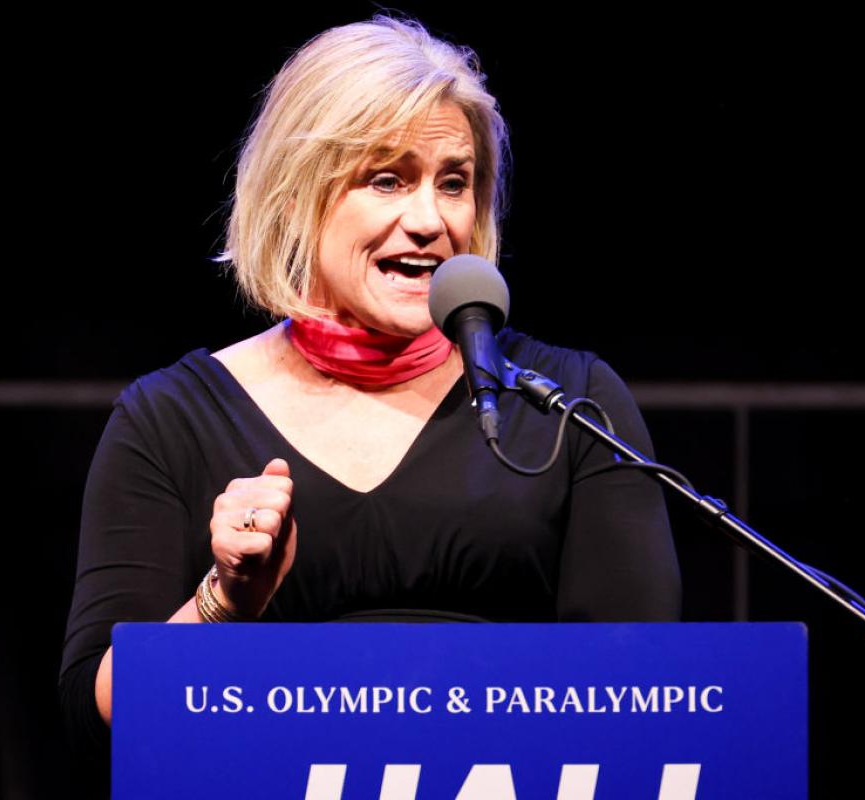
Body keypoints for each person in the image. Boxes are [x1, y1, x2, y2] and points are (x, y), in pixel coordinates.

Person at [59, 14, 681, 771]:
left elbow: (647, 700)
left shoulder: (565, 405)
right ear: (297, 199)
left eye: (454, 182)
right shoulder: (171, 420)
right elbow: (102, 720)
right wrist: (225, 599)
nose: (428, 220)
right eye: (387, 179)